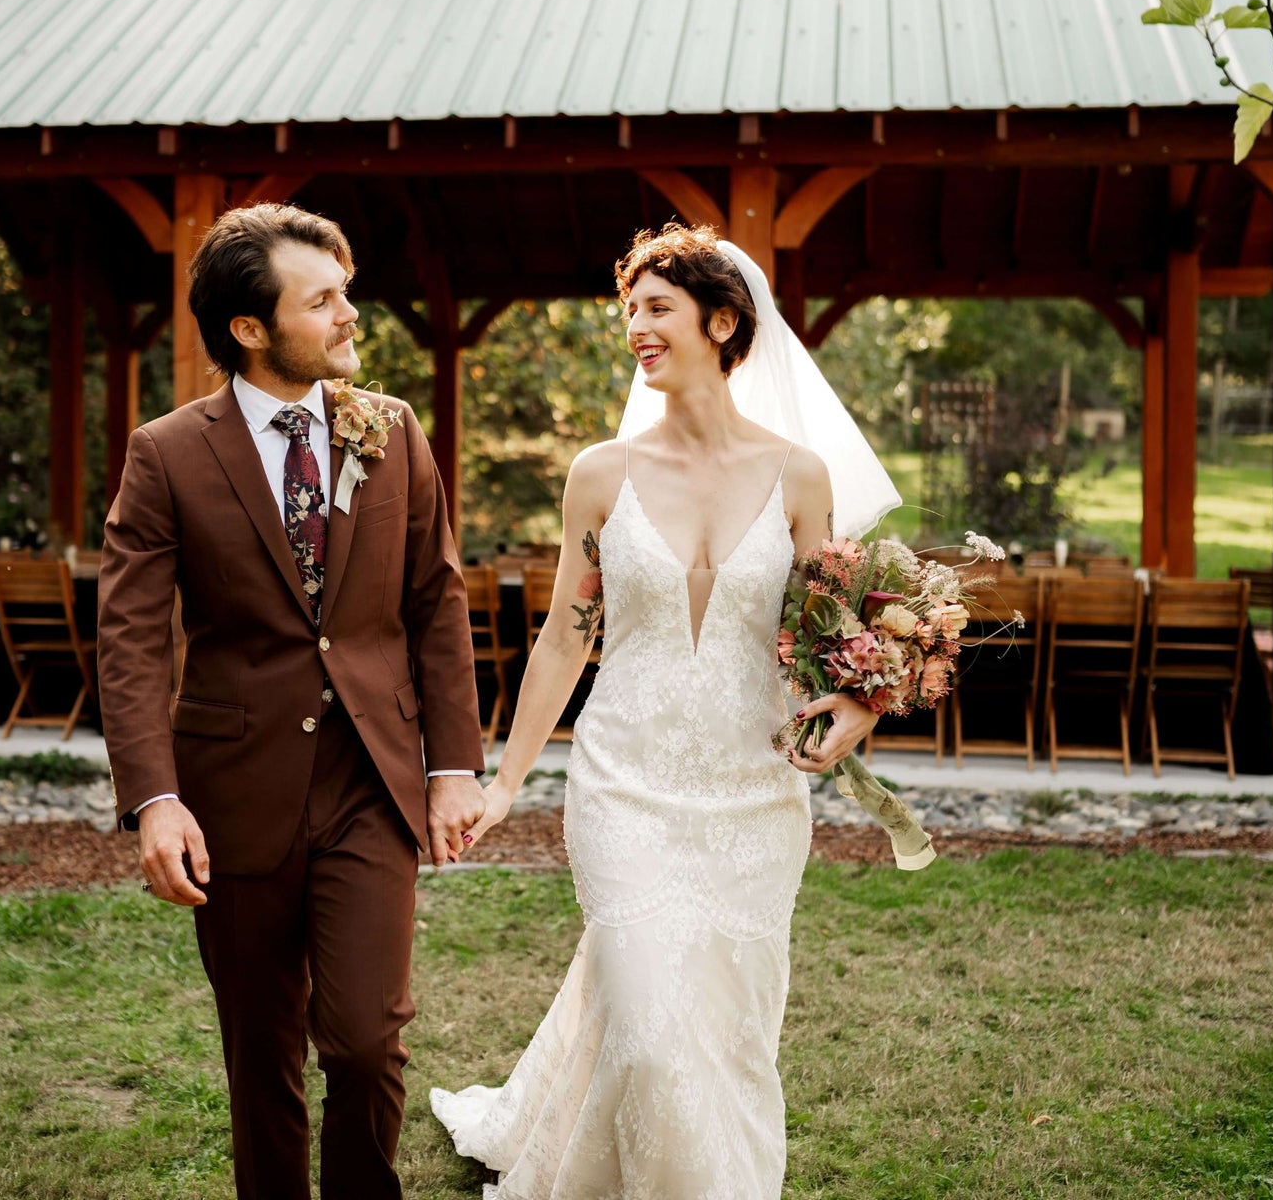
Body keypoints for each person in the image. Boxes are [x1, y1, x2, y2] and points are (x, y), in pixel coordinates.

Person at [430, 223, 901, 1197]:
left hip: (753, 791)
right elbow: (565, 638)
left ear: (722, 322)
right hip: (624, 783)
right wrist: (504, 779)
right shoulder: (599, 474)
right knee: (650, 1031)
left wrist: (861, 703)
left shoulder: (799, 476)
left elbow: (829, 634)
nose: (635, 328)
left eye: (657, 307)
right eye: (629, 310)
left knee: (725, 1028)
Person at [96, 202, 487, 1200]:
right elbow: (131, 639)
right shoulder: (166, 453)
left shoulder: (391, 430)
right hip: (233, 791)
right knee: (260, 1048)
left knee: (364, 1038)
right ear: (250, 327)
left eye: (344, 291)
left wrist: (452, 765)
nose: (349, 314)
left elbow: (436, 602)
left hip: (371, 782)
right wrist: (154, 798)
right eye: (321, 300)